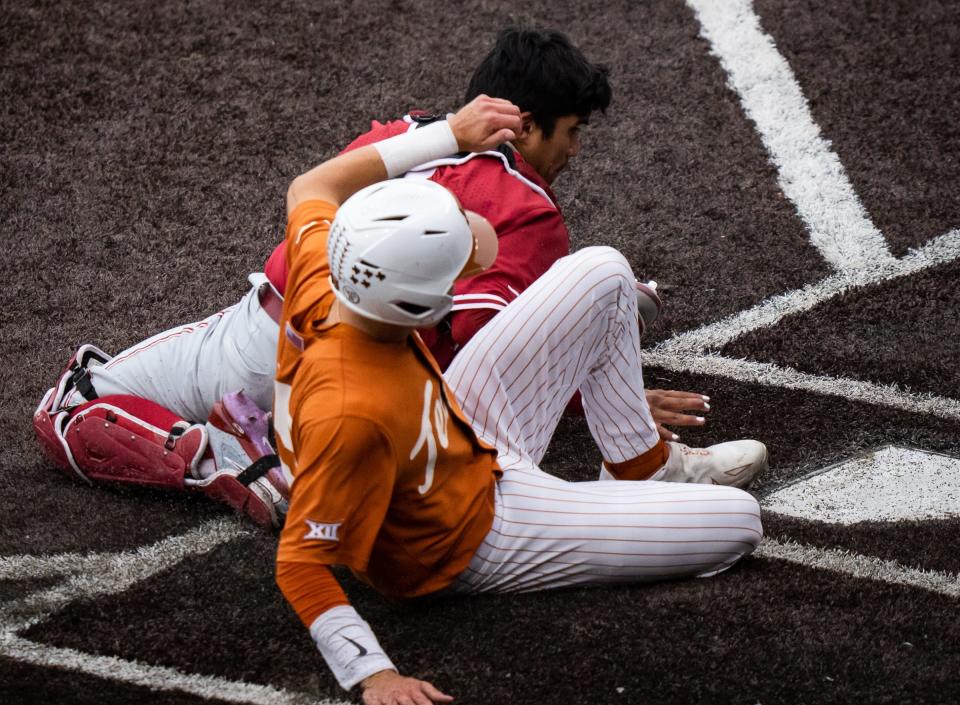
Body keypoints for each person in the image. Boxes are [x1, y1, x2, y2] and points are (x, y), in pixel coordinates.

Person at [33, 28, 719, 525]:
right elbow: (468, 342)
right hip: (341, 393)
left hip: (255, 333)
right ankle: (229, 453)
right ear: (527, 124)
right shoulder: (528, 210)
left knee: (69, 404)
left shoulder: (409, 132)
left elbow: (314, 194)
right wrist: (592, 385)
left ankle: (219, 447)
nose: (574, 149)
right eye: (571, 131)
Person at [272, 95, 766, 705]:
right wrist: (373, 674)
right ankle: (610, 506)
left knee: (605, 274)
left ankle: (642, 468)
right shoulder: (351, 413)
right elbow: (300, 563)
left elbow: (312, 185)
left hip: (458, 432)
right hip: (475, 538)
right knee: (741, 520)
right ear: (422, 308)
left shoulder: (331, 277)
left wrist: (448, 134)